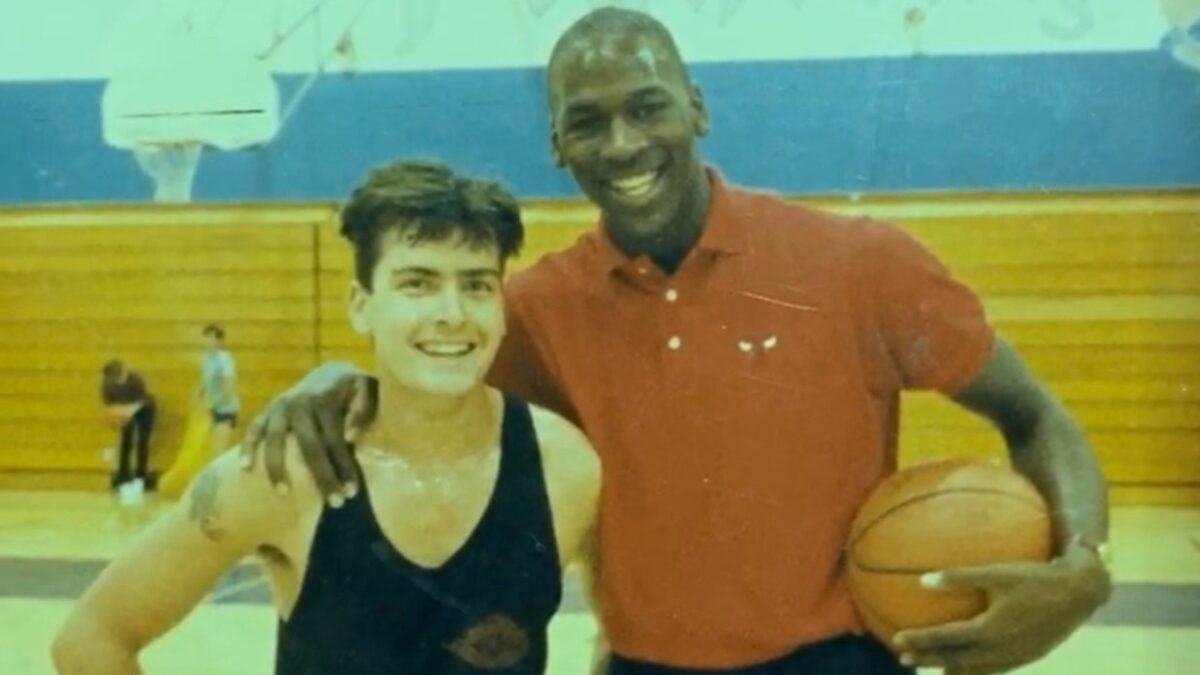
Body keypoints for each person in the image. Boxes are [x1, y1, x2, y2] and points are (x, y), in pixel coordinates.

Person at [242, 7, 1113, 675]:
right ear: (557, 144)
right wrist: (332, 380)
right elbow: (423, 393)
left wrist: (1082, 564)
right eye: (587, 120)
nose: (622, 142)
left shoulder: (859, 263)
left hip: (840, 658)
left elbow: (1032, 414)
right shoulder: (537, 308)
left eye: (647, 106)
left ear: (695, 108)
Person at [52, 160, 601, 675]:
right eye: (418, 284)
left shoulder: (566, 467)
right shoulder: (282, 471)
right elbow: (91, 638)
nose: (451, 314)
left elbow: (616, 634)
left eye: (476, 285)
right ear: (361, 305)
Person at [99, 359, 156, 492]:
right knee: (126, 441)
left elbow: (142, 400)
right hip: (124, 410)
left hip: (143, 408)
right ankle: (123, 473)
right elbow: (110, 405)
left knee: (142, 441)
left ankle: (141, 473)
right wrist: (117, 417)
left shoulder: (135, 379)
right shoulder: (106, 385)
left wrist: (129, 411)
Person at [198, 323, 240, 455]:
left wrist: (215, 401)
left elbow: (229, 385)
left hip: (226, 409)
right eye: (207, 337)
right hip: (212, 409)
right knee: (211, 448)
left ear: (220, 341)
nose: (209, 341)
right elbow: (205, 382)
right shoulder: (205, 358)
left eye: (212, 338)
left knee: (219, 450)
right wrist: (200, 395)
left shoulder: (225, 359)